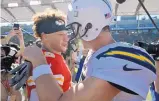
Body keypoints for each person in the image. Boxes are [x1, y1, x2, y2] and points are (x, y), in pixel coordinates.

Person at [21, 0, 156, 101]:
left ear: (89, 25)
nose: (73, 33)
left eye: (75, 26)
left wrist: (39, 60)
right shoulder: (96, 54)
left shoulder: (118, 58)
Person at [25, 9, 72, 101]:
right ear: (45, 36)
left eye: (67, 34)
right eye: (60, 34)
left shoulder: (52, 57)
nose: (67, 39)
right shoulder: (48, 61)